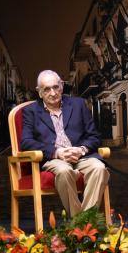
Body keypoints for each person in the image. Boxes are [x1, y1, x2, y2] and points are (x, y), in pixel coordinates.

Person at [21, 70, 109, 216]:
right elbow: (26, 142)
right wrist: (57, 152)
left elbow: (94, 136)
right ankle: (80, 224)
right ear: (39, 92)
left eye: (56, 87)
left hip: (81, 156)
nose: (53, 93)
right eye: (47, 89)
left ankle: (84, 223)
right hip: (54, 158)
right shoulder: (31, 111)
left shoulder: (78, 104)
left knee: (99, 168)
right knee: (64, 171)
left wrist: (81, 149)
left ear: (61, 86)